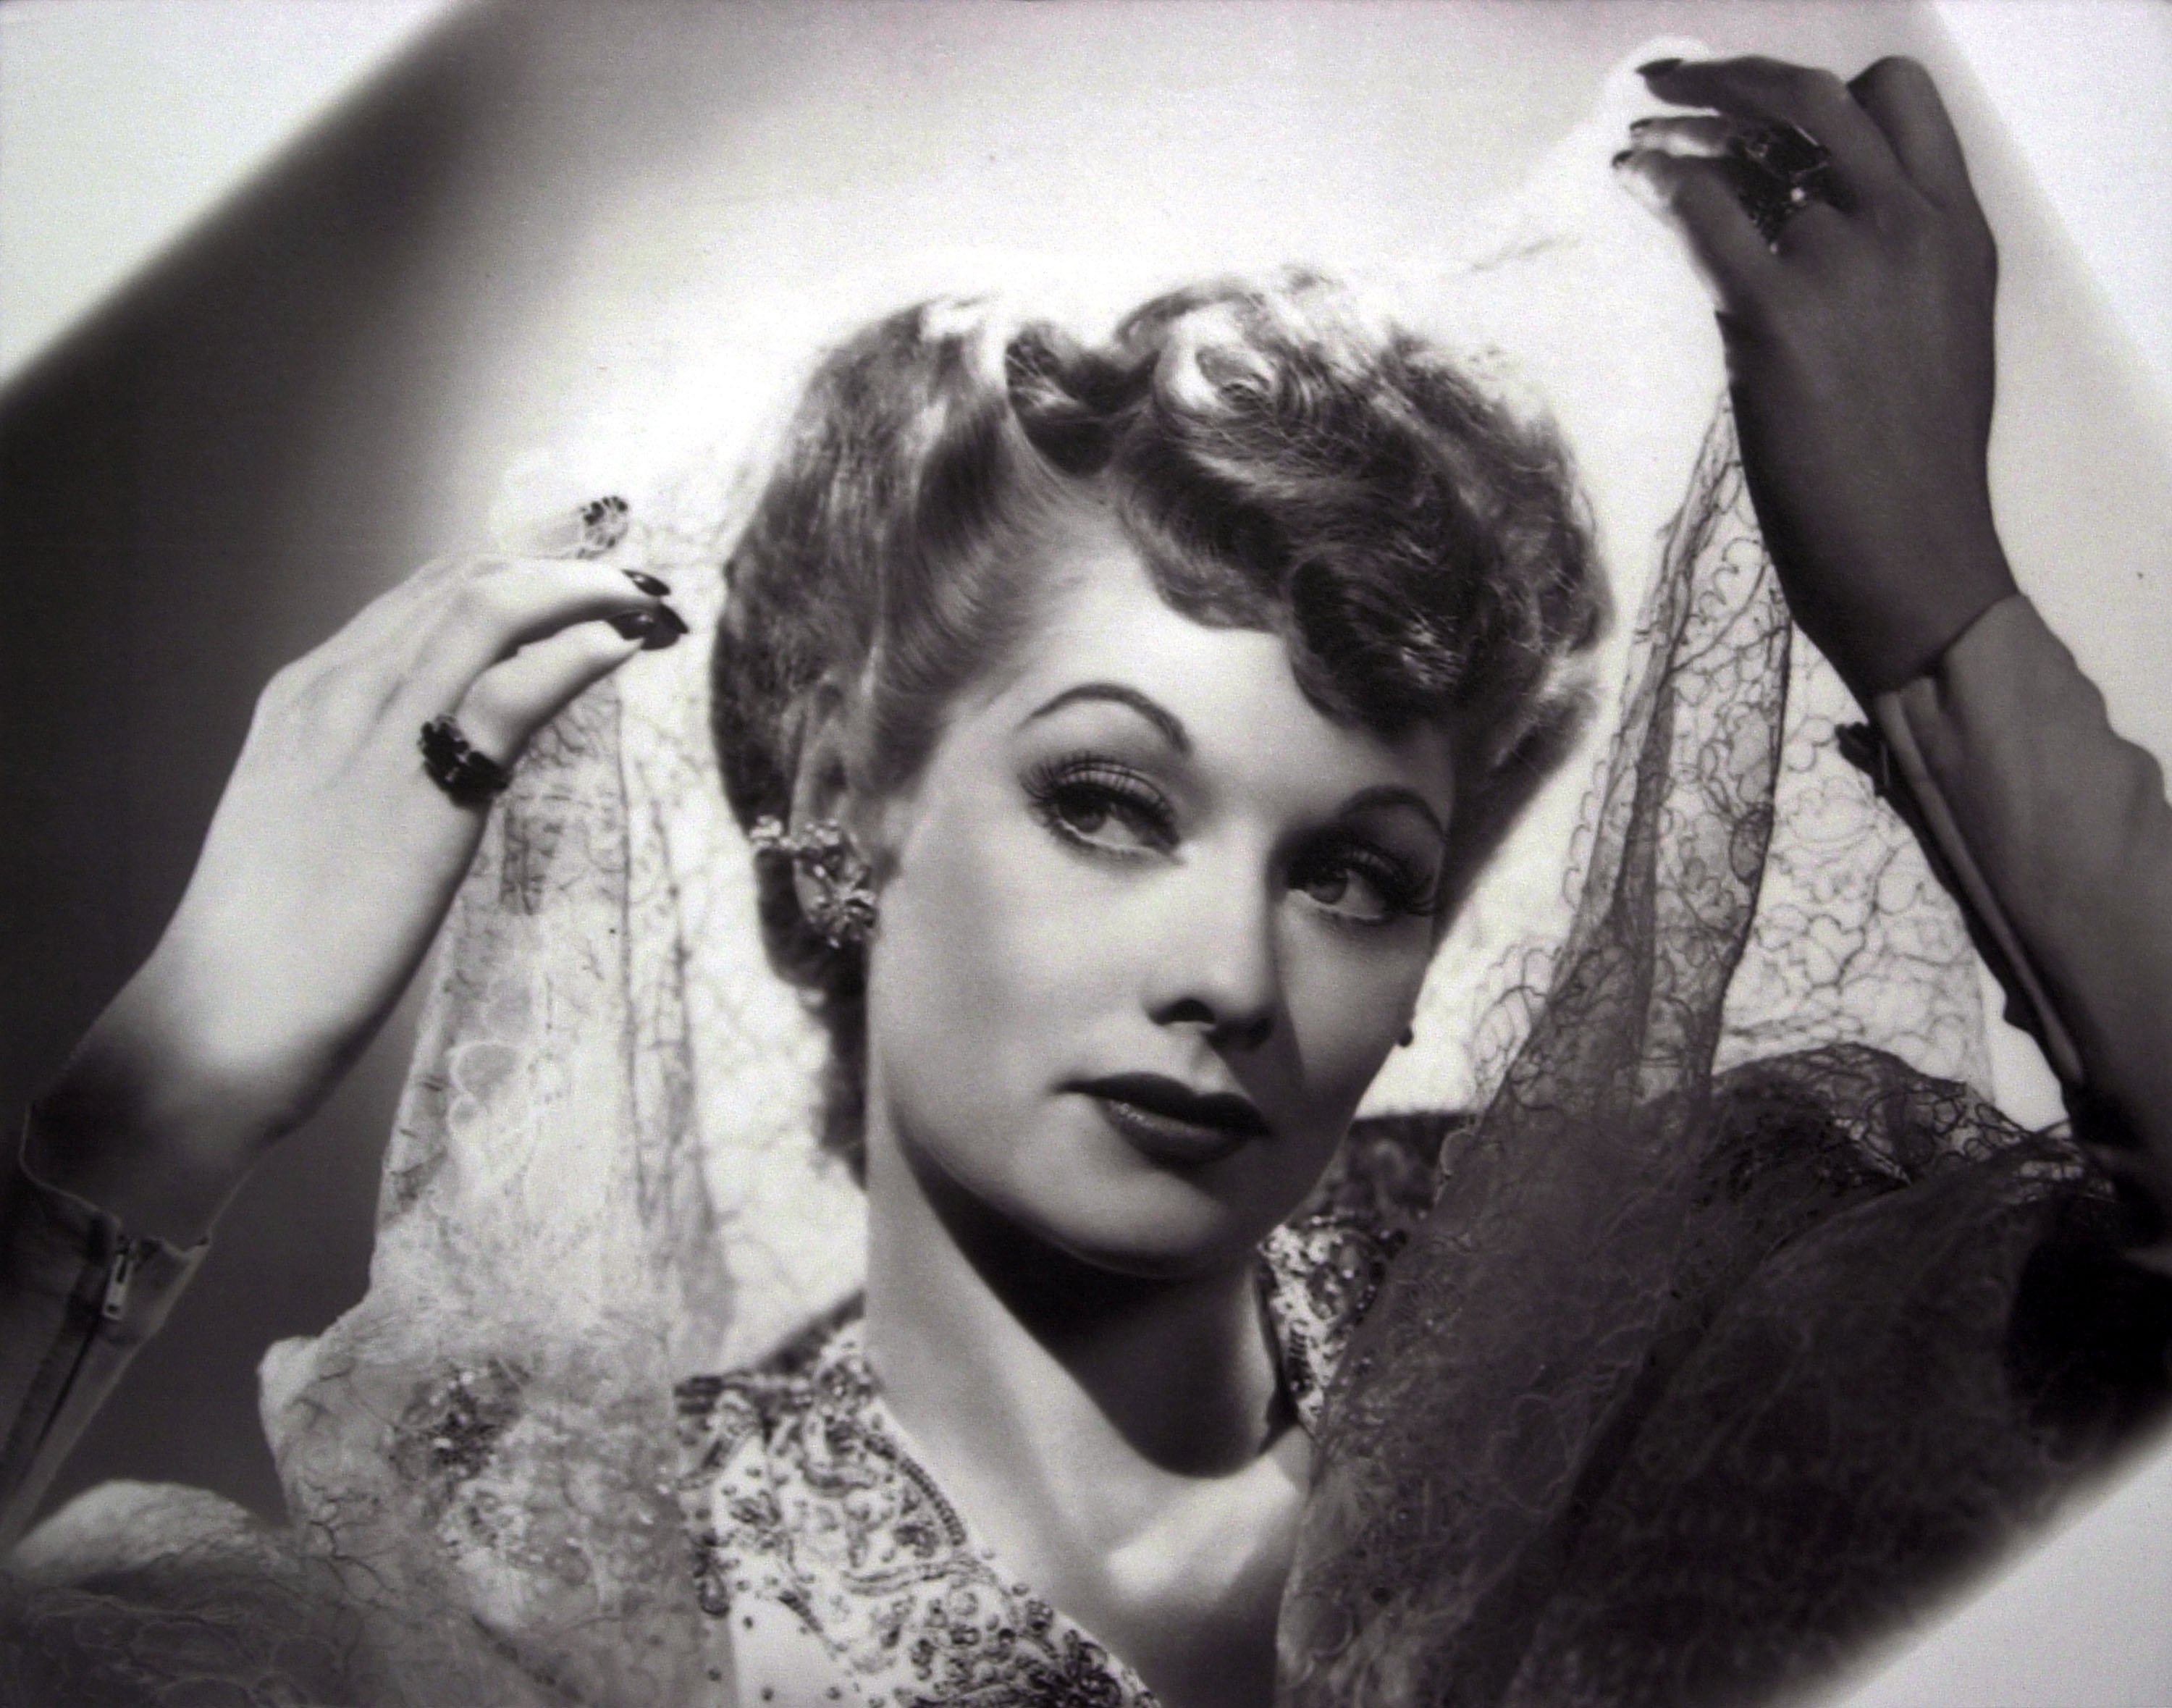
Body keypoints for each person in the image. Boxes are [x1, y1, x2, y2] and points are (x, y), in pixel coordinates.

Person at [2, 51, 2168, 1708]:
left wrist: (1943, 622)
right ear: (847, 798)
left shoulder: (1653, 1358)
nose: (1230, 971)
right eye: (1111, 803)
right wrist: (152, 1116)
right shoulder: (558, 1606)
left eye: (1355, 874)